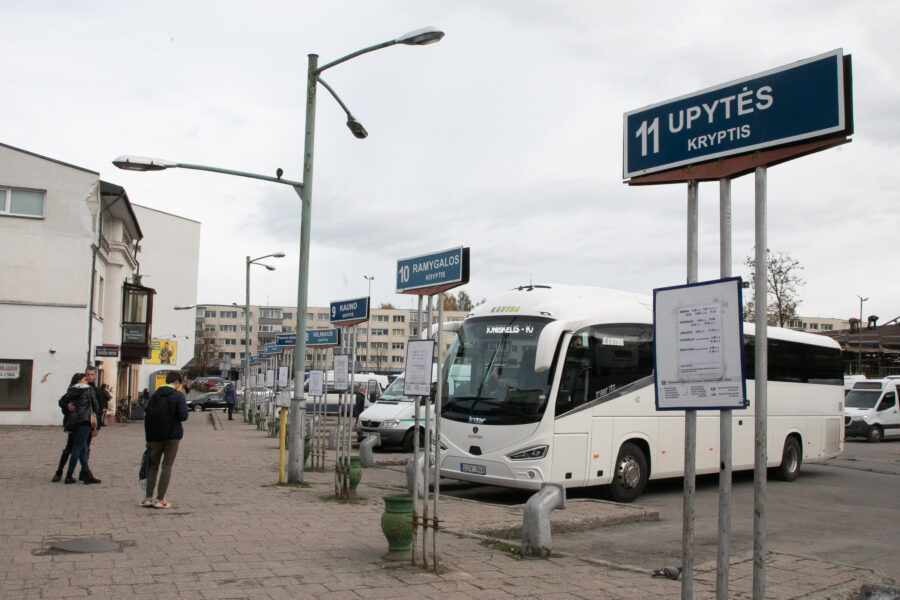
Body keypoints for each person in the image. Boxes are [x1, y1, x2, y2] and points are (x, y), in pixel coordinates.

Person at [140, 371, 188, 509]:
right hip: (172, 436)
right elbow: (183, 416)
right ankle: (160, 499)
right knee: (167, 466)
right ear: (177, 383)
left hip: (155, 436)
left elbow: (148, 418)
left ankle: (148, 497)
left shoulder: (155, 395)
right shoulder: (178, 396)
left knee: (153, 466)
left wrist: (148, 438)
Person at [60, 372, 101, 484]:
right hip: (84, 421)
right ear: (79, 380)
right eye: (84, 379)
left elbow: (62, 401)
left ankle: (87, 474)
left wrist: (68, 407)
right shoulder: (89, 390)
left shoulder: (71, 390)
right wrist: (96, 419)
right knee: (77, 449)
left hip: (72, 422)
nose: (86, 381)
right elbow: (95, 405)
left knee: (83, 449)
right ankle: (69, 475)